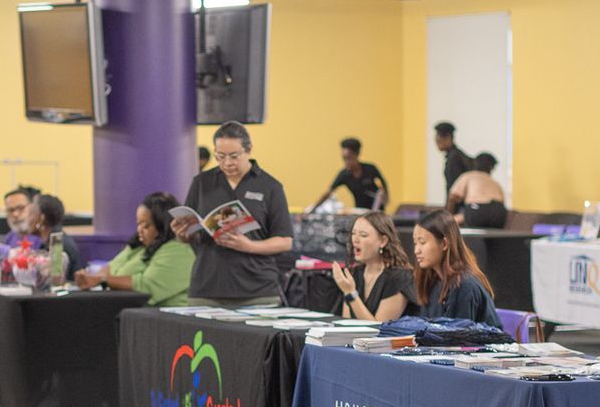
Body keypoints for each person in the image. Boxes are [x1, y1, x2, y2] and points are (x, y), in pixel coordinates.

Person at [173, 121, 296, 307]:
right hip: (207, 288)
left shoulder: (270, 187)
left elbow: (285, 241)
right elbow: (193, 231)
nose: (227, 163)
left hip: (257, 290)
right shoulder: (202, 183)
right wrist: (183, 234)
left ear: (249, 149)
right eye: (220, 156)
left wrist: (249, 246)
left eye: (234, 156)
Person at [75, 191, 194, 306]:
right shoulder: (138, 247)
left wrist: (103, 279)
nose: (139, 230)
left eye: (146, 226)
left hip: (161, 315)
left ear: (162, 225)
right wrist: (90, 278)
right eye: (138, 224)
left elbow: (147, 287)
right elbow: (111, 267)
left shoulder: (178, 250)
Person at [411, 208, 497, 324]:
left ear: (444, 244)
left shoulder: (463, 285)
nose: (416, 250)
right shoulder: (432, 281)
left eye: (422, 242)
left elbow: (458, 333)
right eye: (415, 243)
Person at [330, 210, 415, 322]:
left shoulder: (399, 278)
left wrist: (350, 294)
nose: (355, 240)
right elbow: (347, 323)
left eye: (363, 235)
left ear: (383, 241)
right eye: (353, 233)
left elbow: (378, 328)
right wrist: (348, 291)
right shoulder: (355, 273)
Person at [313, 137, 390, 211]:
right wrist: (312, 210)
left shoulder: (370, 169)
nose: (346, 162)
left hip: (377, 210)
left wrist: (386, 197)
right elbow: (328, 193)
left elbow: (383, 182)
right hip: (360, 210)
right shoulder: (344, 175)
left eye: (349, 158)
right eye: (344, 158)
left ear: (357, 155)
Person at [23, 192, 84, 281]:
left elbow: (55, 281)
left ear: (41, 218)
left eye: (30, 214)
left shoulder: (58, 244)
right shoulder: (44, 243)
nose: (26, 219)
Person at [448, 152, 508, 229]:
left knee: (451, 222)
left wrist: (449, 216)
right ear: (491, 168)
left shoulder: (468, 176)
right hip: (499, 213)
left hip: (477, 210)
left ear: (474, 163)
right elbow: (501, 203)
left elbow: (453, 196)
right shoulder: (496, 183)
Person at [434, 123, 469, 198]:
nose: (437, 143)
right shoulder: (457, 155)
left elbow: (455, 188)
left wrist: (450, 204)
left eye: (439, 141)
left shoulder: (454, 158)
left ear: (448, 138)